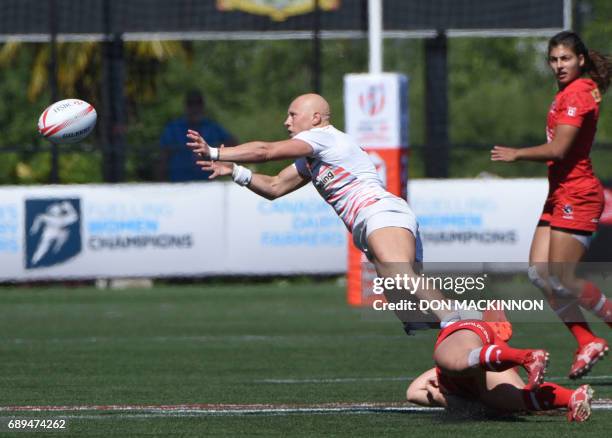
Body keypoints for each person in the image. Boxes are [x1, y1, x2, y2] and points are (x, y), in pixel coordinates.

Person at [186, 93, 480, 330]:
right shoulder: (312, 158)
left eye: (292, 114)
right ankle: (478, 322)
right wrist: (234, 171)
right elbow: (275, 186)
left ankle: (461, 321)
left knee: (404, 277)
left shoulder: (323, 137)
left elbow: (265, 151)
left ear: (315, 118)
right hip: (372, 222)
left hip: (380, 212)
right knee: (411, 314)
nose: (285, 121)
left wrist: (215, 152)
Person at [491, 31, 612, 379]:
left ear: (581, 60)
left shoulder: (578, 94)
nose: (559, 65)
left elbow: (559, 149)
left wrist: (517, 154)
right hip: (559, 194)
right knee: (539, 274)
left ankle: (592, 334)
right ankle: (586, 339)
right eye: (554, 59)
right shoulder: (569, 91)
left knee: (562, 277)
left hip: (579, 195)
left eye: (566, 59)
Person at [406, 319, 594, 423]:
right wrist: (442, 398)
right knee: (466, 372)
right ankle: (572, 397)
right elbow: (414, 393)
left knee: (456, 365)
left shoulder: (489, 395)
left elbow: (413, 393)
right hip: (478, 345)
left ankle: (524, 357)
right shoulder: (495, 397)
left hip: (468, 337)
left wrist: (441, 398)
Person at [158, 90, 237, 182]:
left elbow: (233, 143)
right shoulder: (173, 128)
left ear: (203, 106)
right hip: (179, 182)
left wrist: (212, 151)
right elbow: (163, 157)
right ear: (186, 106)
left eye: (198, 103)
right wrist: (162, 182)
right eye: (191, 103)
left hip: (207, 181)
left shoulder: (212, 127)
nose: (194, 107)